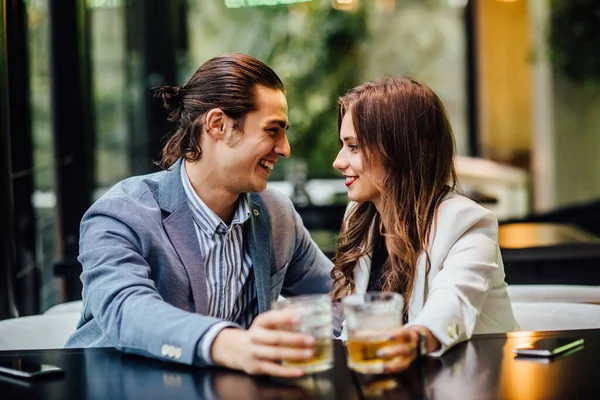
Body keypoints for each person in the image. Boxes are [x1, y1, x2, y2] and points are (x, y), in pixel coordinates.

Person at [66, 53, 333, 377]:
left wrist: (399, 329)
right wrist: (229, 344)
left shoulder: (276, 214)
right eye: (272, 130)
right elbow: (126, 311)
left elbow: (336, 296)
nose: (285, 148)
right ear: (217, 125)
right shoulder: (120, 214)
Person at [331, 76, 519, 372]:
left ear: (398, 150)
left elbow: (452, 305)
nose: (338, 161)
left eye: (353, 146)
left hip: (468, 382)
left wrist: (414, 340)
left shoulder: (467, 222)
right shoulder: (358, 216)